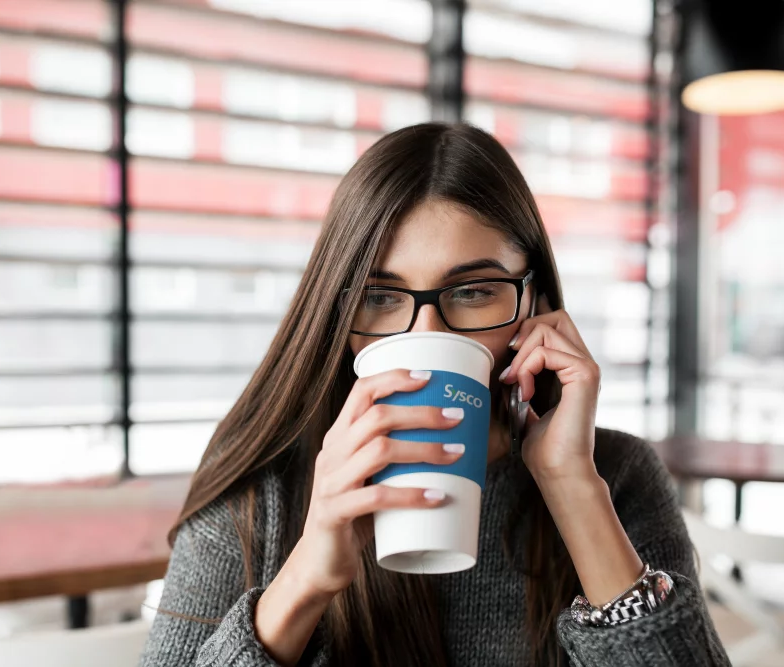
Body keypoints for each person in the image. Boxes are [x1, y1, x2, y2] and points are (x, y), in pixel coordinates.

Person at [139, 123, 728, 667]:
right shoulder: (261, 487)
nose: (426, 334)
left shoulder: (616, 475)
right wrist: (304, 582)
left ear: (537, 303)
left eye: (473, 291)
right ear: (336, 315)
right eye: (380, 296)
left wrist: (571, 486)